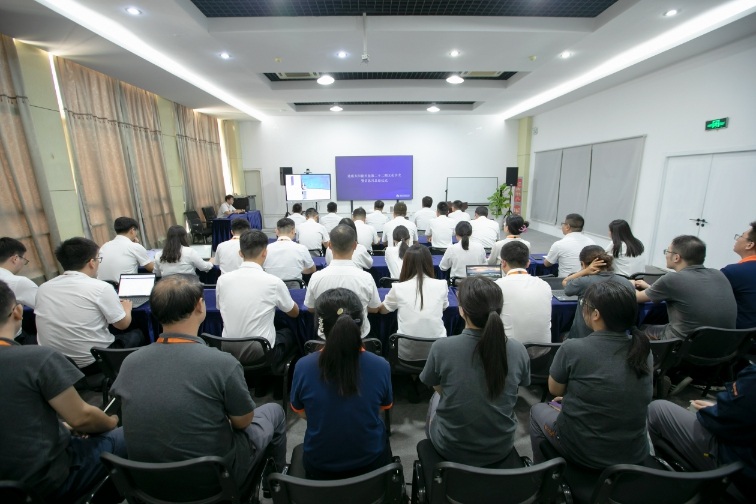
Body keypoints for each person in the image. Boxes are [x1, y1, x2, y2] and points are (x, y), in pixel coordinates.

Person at [111, 275, 287, 484]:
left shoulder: (130, 362)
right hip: (215, 479)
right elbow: (243, 421)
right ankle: (273, 484)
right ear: (199, 306)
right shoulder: (222, 363)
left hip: (148, 482)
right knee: (274, 412)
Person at [0, 280, 126, 502]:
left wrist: (62, 427)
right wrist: (112, 421)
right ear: (18, 311)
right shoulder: (36, 360)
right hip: (46, 481)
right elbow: (83, 418)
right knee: (128, 436)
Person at [529, 281, 653, 468]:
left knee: (537, 411)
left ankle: (543, 475)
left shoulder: (573, 348)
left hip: (583, 451)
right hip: (634, 452)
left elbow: (555, 390)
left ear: (596, 314)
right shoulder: (643, 349)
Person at [420, 277, 530, 466]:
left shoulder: (442, 348)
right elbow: (519, 386)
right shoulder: (518, 349)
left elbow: (436, 385)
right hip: (501, 447)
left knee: (436, 399)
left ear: (462, 310)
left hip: (450, 448)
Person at [291, 288, 393, 480]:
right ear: (361, 322)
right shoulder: (381, 366)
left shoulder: (303, 366)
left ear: (320, 325)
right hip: (371, 465)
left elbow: (302, 412)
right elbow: (381, 407)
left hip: (319, 466)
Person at [36, 237, 143, 372]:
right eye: (99, 259)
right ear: (92, 263)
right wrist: (126, 308)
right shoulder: (101, 288)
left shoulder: (43, 288)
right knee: (138, 334)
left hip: (54, 363)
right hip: (93, 362)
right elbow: (122, 325)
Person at [647, 364, 756, 494]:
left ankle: (655, 473)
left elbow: (719, 419)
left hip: (739, 469)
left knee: (657, 409)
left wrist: (714, 410)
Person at [217, 230, 298, 370]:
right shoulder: (273, 282)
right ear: (265, 253)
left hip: (228, 350)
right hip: (262, 353)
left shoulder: (222, 280)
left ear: (240, 253)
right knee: (290, 332)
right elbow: (294, 313)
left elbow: (220, 308)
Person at [634, 235, 737, 340]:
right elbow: (689, 292)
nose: (666, 255)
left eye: (667, 251)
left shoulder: (672, 279)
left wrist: (629, 282)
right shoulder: (719, 274)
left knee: (640, 329)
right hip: (724, 343)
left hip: (685, 343)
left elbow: (636, 297)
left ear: (676, 257)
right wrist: (649, 287)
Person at [305, 225, 381, 339]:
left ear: (329, 245)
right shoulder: (366, 278)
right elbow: (375, 309)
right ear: (355, 246)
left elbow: (311, 308)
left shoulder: (316, 277)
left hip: (326, 337)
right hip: (359, 336)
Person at [382, 245, 449, 360]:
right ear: (429, 263)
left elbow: (383, 310)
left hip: (407, 353)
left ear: (406, 264)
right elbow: (444, 307)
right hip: (437, 352)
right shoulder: (442, 285)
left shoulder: (398, 288)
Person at [563, 245, 636, 339]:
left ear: (583, 264)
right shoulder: (626, 283)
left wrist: (584, 271)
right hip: (619, 338)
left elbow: (565, 283)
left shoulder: (583, 282)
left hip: (584, 338)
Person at [495, 241, 552, 344]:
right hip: (544, 350)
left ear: (503, 263)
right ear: (528, 263)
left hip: (509, 350)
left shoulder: (497, 286)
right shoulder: (545, 285)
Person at [97, 217, 155, 283]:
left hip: (104, 286)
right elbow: (151, 268)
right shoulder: (134, 247)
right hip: (125, 287)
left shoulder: (104, 246)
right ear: (132, 230)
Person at [721, 222, 756, 329]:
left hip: (741, 336)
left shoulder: (732, 272)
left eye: (741, 236)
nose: (737, 239)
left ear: (750, 245)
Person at [264, 217, 316, 283]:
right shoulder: (301, 248)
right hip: (295, 287)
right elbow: (312, 269)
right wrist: (299, 270)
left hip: (272, 286)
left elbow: (260, 270)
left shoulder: (266, 249)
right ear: (293, 231)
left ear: (276, 231)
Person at [0, 237, 37, 308]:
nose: (23, 264)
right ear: (15, 259)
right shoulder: (19, 282)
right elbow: (45, 307)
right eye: (24, 259)